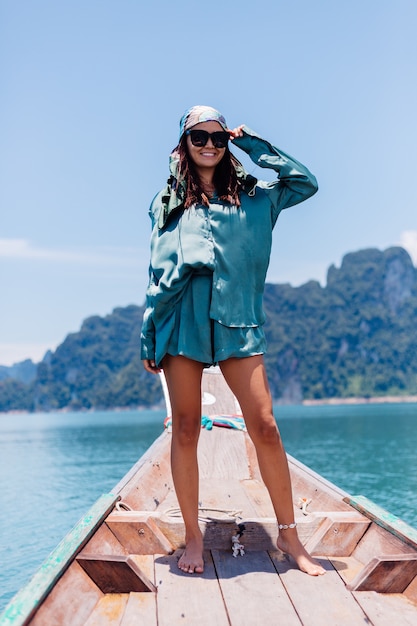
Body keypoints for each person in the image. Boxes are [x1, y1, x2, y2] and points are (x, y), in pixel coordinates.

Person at [141, 105, 325, 577]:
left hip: (239, 323)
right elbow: (157, 276)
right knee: (185, 429)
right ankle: (194, 536)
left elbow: (305, 182)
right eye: (198, 137)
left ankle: (290, 536)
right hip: (182, 323)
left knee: (264, 425)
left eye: (217, 138)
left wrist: (253, 142)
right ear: (184, 144)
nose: (209, 145)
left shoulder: (258, 201)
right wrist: (149, 337)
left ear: (227, 145)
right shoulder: (168, 205)